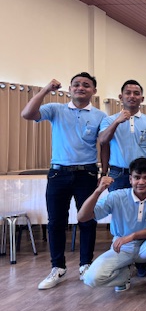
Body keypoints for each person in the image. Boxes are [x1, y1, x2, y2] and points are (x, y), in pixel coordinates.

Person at [21, 73, 106, 289]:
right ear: (69, 89)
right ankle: (57, 267)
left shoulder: (100, 115)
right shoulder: (56, 109)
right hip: (58, 173)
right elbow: (27, 114)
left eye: (86, 85)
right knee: (56, 222)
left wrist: (104, 171)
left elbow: (105, 144)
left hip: (87, 173)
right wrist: (45, 90)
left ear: (94, 91)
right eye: (76, 85)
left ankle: (86, 265)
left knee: (87, 220)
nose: (80, 88)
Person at [78, 158, 146, 295]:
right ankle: (123, 276)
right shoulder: (116, 196)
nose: (141, 182)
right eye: (137, 177)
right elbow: (82, 217)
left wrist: (133, 236)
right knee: (90, 278)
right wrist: (98, 191)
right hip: (122, 247)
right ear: (130, 179)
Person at [99, 80, 146, 191]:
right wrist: (117, 122)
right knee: (117, 202)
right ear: (121, 97)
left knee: (145, 202)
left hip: (143, 173)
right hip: (118, 173)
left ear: (142, 99)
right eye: (128, 93)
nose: (132, 96)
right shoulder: (109, 120)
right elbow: (103, 141)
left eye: (136, 93)